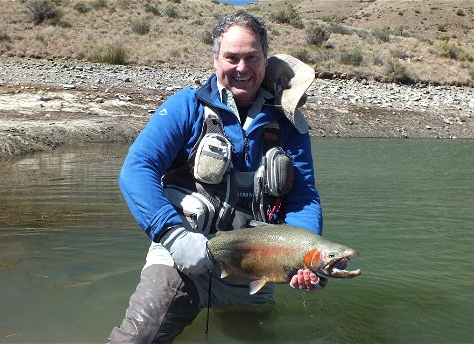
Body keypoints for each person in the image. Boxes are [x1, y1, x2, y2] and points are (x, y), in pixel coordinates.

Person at [109, 12, 325, 343]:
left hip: (257, 272)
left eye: (251, 57)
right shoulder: (186, 107)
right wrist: (172, 235)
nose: (242, 68)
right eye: (231, 57)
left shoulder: (289, 126)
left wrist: (307, 255)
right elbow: (137, 170)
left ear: (265, 60)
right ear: (215, 59)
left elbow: (303, 198)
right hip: (182, 260)